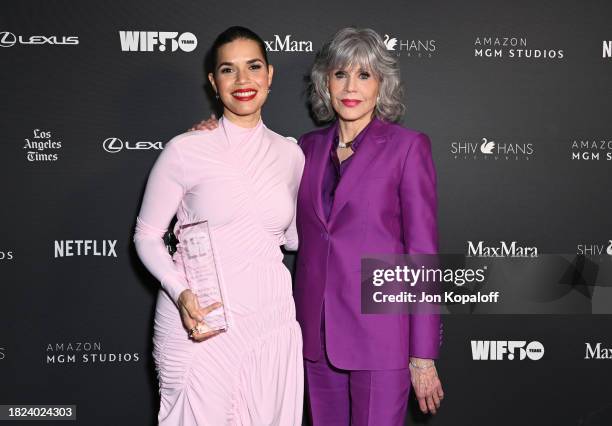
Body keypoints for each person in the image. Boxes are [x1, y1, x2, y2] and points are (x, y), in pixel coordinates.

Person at [193, 27, 444, 426]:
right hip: (315, 337)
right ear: (326, 82)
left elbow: (422, 254)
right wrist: (212, 135)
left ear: (382, 84)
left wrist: (423, 354)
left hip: (380, 339)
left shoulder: (407, 147)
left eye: (364, 75)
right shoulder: (304, 149)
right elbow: (255, 190)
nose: (351, 86)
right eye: (340, 74)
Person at [134, 26, 304, 425]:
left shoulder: (291, 155)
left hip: (270, 321)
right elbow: (145, 236)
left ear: (270, 75)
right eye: (229, 70)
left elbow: (291, 237)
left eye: (253, 67)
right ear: (214, 82)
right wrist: (180, 294)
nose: (243, 81)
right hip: (201, 320)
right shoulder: (186, 150)